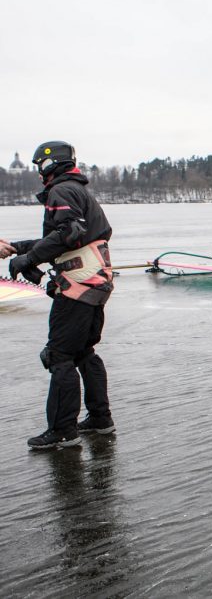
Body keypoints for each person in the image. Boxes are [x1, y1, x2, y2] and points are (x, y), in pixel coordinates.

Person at [4, 141, 115, 449]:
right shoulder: (77, 189)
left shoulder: (62, 191)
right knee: (84, 353)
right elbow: (67, 238)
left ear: (50, 165)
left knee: (60, 356)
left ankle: (63, 430)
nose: (39, 172)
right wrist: (20, 248)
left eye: (40, 165)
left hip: (78, 287)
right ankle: (100, 419)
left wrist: (28, 260)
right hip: (95, 284)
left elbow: (70, 232)